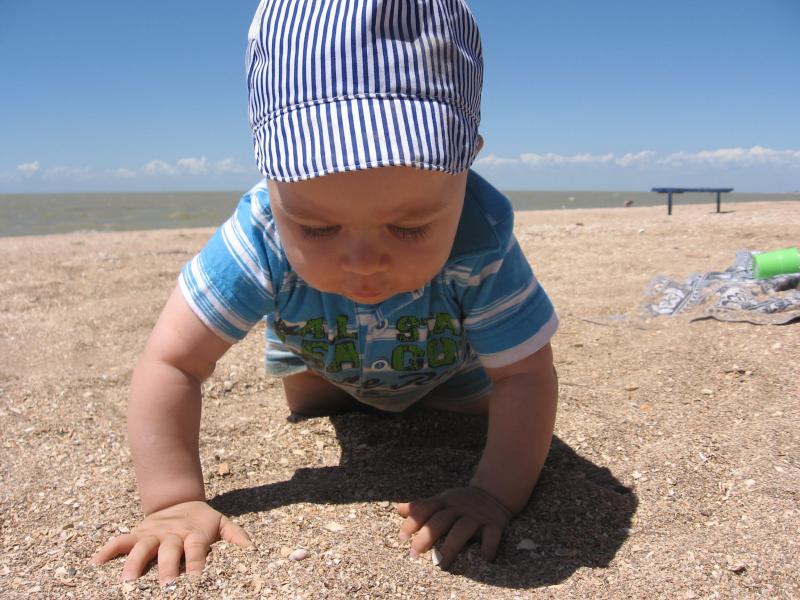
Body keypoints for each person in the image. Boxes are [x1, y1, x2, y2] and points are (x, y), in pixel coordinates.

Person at [92, 0, 559, 583]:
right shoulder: (259, 233)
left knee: (476, 405)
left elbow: (524, 375)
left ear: (466, 161)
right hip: (323, 360)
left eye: (409, 226)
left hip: (447, 376)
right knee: (311, 400)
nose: (363, 264)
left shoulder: (480, 234)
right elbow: (172, 361)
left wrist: (493, 494)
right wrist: (173, 500)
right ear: (269, 173)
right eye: (317, 227)